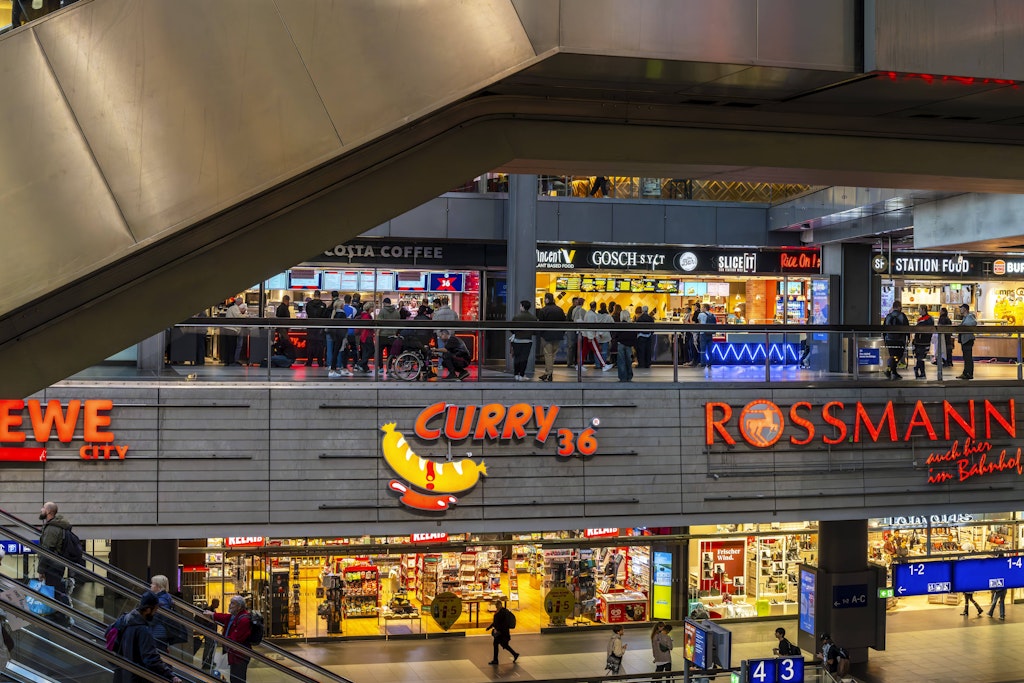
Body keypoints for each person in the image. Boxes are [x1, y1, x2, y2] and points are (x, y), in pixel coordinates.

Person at [113, 591, 183, 683]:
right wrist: (170, 676)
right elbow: (150, 658)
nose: (156, 612)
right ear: (148, 610)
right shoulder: (142, 630)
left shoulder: (125, 622)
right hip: (138, 678)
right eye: (155, 609)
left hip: (125, 676)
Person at [204, 595, 253, 683]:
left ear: (239, 607)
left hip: (240, 656)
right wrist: (212, 614)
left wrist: (220, 638)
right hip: (234, 655)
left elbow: (235, 639)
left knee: (237, 679)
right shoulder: (235, 616)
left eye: (232, 603)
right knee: (234, 678)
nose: (229, 605)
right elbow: (224, 617)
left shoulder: (244, 620)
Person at [37, 501, 72, 623]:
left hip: (52, 565)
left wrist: (41, 570)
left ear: (48, 512)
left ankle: (59, 615)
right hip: (56, 565)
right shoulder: (56, 526)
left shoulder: (52, 528)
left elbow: (46, 550)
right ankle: (59, 613)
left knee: (53, 590)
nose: (41, 510)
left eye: (43, 508)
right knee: (55, 589)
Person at [536, 293, 566, 382]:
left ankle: (549, 374)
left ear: (547, 299)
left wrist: (540, 334)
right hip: (557, 335)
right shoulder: (559, 310)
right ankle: (547, 372)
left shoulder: (544, 310)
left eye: (545, 299)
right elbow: (564, 322)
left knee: (548, 355)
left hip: (546, 336)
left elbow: (540, 323)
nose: (544, 300)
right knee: (553, 355)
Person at [485, 599, 519, 665]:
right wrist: (490, 627)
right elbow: (496, 622)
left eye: (497, 605)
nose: (496, 606)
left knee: (498, 644)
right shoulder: (503, 611)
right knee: (504, 645)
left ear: (500, 605)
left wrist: (497, 629)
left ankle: (496, 660)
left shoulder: (503, 613)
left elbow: (501, 623)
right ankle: (514, 654)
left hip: (501, 633)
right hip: (502, 632)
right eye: (496, 605)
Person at [149, 575, 176, 652]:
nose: (151, 585)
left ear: (158, 586)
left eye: (153, 583)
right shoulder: (165, 597)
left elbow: (157, 616)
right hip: (160, 633)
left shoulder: (161, 600)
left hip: (158, 633)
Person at [510, 300, 537, 381]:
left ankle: (516, 374)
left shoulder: (516, 317)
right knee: (524, 358)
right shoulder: (533, 318)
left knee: (517, 357)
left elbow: (511, 328)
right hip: (527, 340)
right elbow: (535, 330)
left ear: (522, 306)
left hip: (517, 340)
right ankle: (522, 374)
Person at [883, 300, 909, 380]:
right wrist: (908, 338)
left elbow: (884, 328)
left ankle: (892, 371)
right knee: (898, 355)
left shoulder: (888, 316)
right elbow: (907, 327)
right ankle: (890, 369)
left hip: (889, 340)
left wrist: (885, 340)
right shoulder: (902, 316)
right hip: (900, 340)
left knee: (893, 355)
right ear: (899, 307)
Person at [304, 290, 328, 368]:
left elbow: (308, 313)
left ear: (314, 295)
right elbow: (325, 316)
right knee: (320, 346)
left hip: (311, 327)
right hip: (320, 328)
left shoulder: (309, 304)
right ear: (320, 295)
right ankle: (320, 361)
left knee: (310, 345)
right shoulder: (323, 305)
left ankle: (309, 361)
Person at [613, 309, 636, 382]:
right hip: (629, 345)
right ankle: (629, 376)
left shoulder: (619, 325)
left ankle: (622, 377)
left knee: (621, 361)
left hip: (621, 344)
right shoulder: (631, 325)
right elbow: (634, 335)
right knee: (628, 361)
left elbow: (615, 335)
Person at [912, 304, 935, 379]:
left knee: (920, 356)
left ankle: (918, 369)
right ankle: (922, 372)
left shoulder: (924, 320)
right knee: (921, 357)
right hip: (924, 341)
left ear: (923, 309)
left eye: (919, 309)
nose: (918, 311)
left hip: (921, 341)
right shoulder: (929, 319)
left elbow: (918, 329)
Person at [958, 302, 978, 380]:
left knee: (968, 357)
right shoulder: (965, 317)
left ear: (965, 309)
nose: (960, 310)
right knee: (966, 357)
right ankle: (965, 372)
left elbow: (974, 322)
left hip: (968, 339)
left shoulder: (969, 316)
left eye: (961, 308)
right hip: (965, 339)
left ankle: (969, 373)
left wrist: (963, 326)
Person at [200, 597, 221, 672]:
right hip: (209, 632)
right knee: (208, 647)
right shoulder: (209, 610)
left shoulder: (212, 610)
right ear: (213, 603)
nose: (218, 605)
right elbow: (206, 622)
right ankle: (205, 662)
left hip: (212, 632)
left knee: (211, 647)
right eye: (217, 603)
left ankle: (209, 661)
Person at [222, 297, 243, 366]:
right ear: (239, 302)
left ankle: (227, 361)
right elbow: (238, 317)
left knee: (228, 346)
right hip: (231, 330)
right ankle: (231, 361)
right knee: (232, 346)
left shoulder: (232, 308)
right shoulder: (235, 308)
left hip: (227, 329)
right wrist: (245, 315)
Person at [566, 297, 583, 368]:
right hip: (572, 329)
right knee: (572, 346)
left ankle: (572, 362)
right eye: (576, 302)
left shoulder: (575, 309)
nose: (577, 303)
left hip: (573, 329)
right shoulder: (572, 309)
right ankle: (570, 362)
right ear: (573, 302)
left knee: (573, 346)